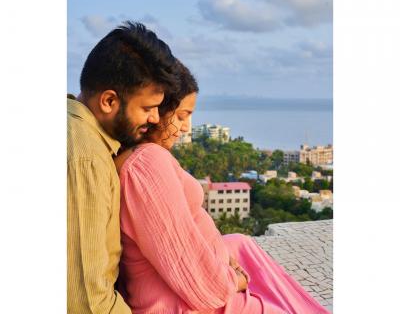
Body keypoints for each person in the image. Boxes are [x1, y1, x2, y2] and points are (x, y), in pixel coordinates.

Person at [114, 63, 331, 313]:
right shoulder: (146, 165)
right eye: (181, 116)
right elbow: (198, 282)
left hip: (186, 282)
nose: (186, 127)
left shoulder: (147, 157)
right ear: (158, 110)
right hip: (182, 303)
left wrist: (222, 254)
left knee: (240, 243)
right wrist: (236, 279)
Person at [67, 22, 180, 314]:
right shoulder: (86, 158)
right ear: (108, 101)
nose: (156, 119)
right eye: (147, 108)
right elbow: (87, 302)